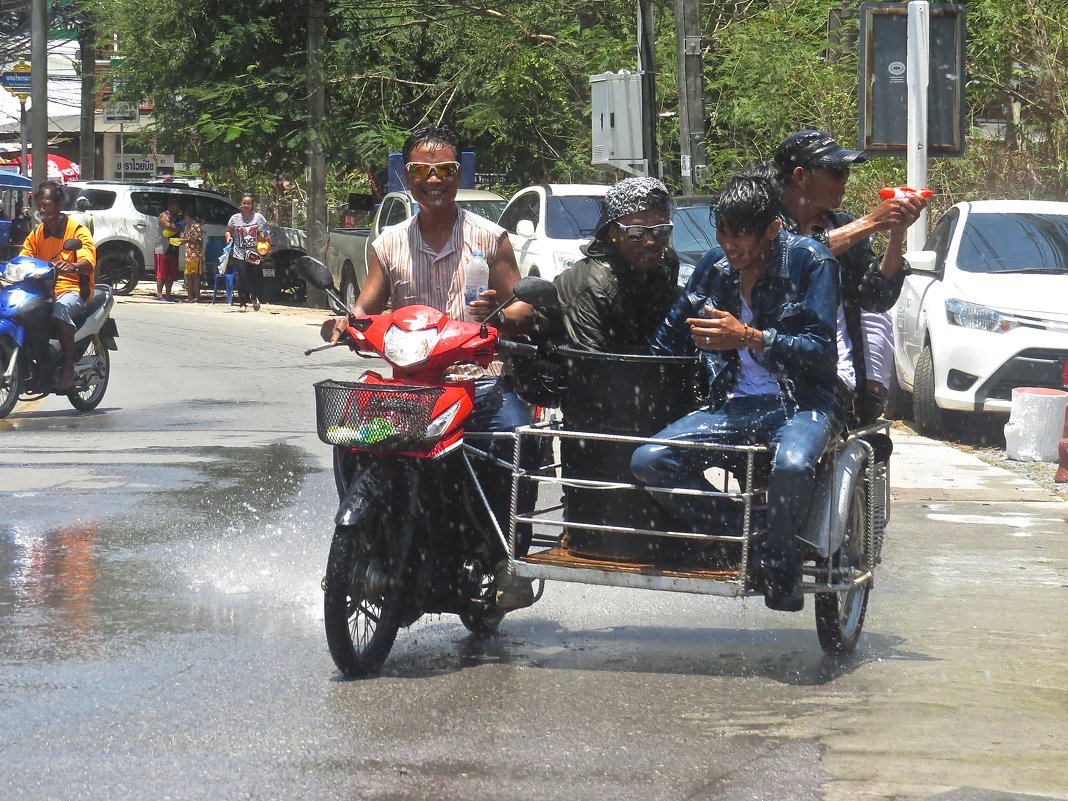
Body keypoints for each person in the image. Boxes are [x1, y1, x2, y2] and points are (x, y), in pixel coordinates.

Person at [320, 125, 535, 596]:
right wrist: (344, 323)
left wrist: (501, 307)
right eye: (422, 171)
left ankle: (505, 562)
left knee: (511, 439)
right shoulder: (388, 243)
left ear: (458, 175)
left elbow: (522, 305)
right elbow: (366, 307)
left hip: (478, 382)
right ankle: (364, 540)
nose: (432, 180)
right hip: (411, 390)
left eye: (443, 171)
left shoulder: (489, 237)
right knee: (350, 437)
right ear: (407, 176)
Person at [629, 174, 841, 612]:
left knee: (793, 463)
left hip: (802, 403)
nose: (729, 244)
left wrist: (749, 336)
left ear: (772, 230)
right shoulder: (714, 266)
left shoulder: (811, 260)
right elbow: (672, 330)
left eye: (741, 234)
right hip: (733, 403)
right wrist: (628, 373)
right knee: (648, 461)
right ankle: (754, 531)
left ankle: (781, 563)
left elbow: (821, 353)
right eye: (723, 232)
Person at [772, 130, 927, 425]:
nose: (844, 181)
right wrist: (871, 221)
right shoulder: (767, 221)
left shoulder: (843, 224)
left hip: (834, 371)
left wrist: (896, 234)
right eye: (835, 171)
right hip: (774, 365)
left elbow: (874, 295)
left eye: (845, 172)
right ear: (800, 176)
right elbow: (792, 256)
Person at [540, 176, 680, 353]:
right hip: (559, 354)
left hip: (630, 352)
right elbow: (592, 362)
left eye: (661, 231)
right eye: (636, 232)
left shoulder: (667, 263)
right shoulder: (595, 282)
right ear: (613, 233)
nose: (651, 242)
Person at [19, 181, 96, 391]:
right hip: (43, 290)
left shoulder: (77, 231)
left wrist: (72, 266)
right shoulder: (37, 233)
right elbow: (23, 257)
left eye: (48, 204)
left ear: (60, 203)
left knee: (60, 310)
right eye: (40, 206)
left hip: (72, 289)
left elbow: (88, 262)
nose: (43, 210)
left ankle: (69, 367)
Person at [226, 193, 270, 312]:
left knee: (255, 277)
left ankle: (254, 296)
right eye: (244, 203)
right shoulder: (234, 218)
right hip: (240, 253)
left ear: (252, 205)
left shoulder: (258, 217)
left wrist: (264, 236)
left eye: (248, 203)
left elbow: (267, 230)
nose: (246, 205)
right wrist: (229, 238)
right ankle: (242, 303)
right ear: (241, 204)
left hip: (255, 253)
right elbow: (228, 231)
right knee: (242, 277)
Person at [155, 198, 183, 301]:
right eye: (176, 206)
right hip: (162, 247)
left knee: (171, 273)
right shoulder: (163, 215)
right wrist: (180, 228)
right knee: (161, 273)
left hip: (174, 247)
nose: (178, 209)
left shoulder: (178, 218)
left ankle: (168, 294)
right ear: (170, 206)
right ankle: (159, 294)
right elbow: (168, 227)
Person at [180, 210, 204, 303]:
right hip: (188, 254)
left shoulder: (196, 227)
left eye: (186, 217)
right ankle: (190, 296)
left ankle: (197, 297)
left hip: (196, 255)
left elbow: (199, 241)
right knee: (188, 276)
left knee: (195, 276)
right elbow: (185, 238)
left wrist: (188, 241)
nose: (185, 219)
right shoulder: (187, 226)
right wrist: (182, 241)